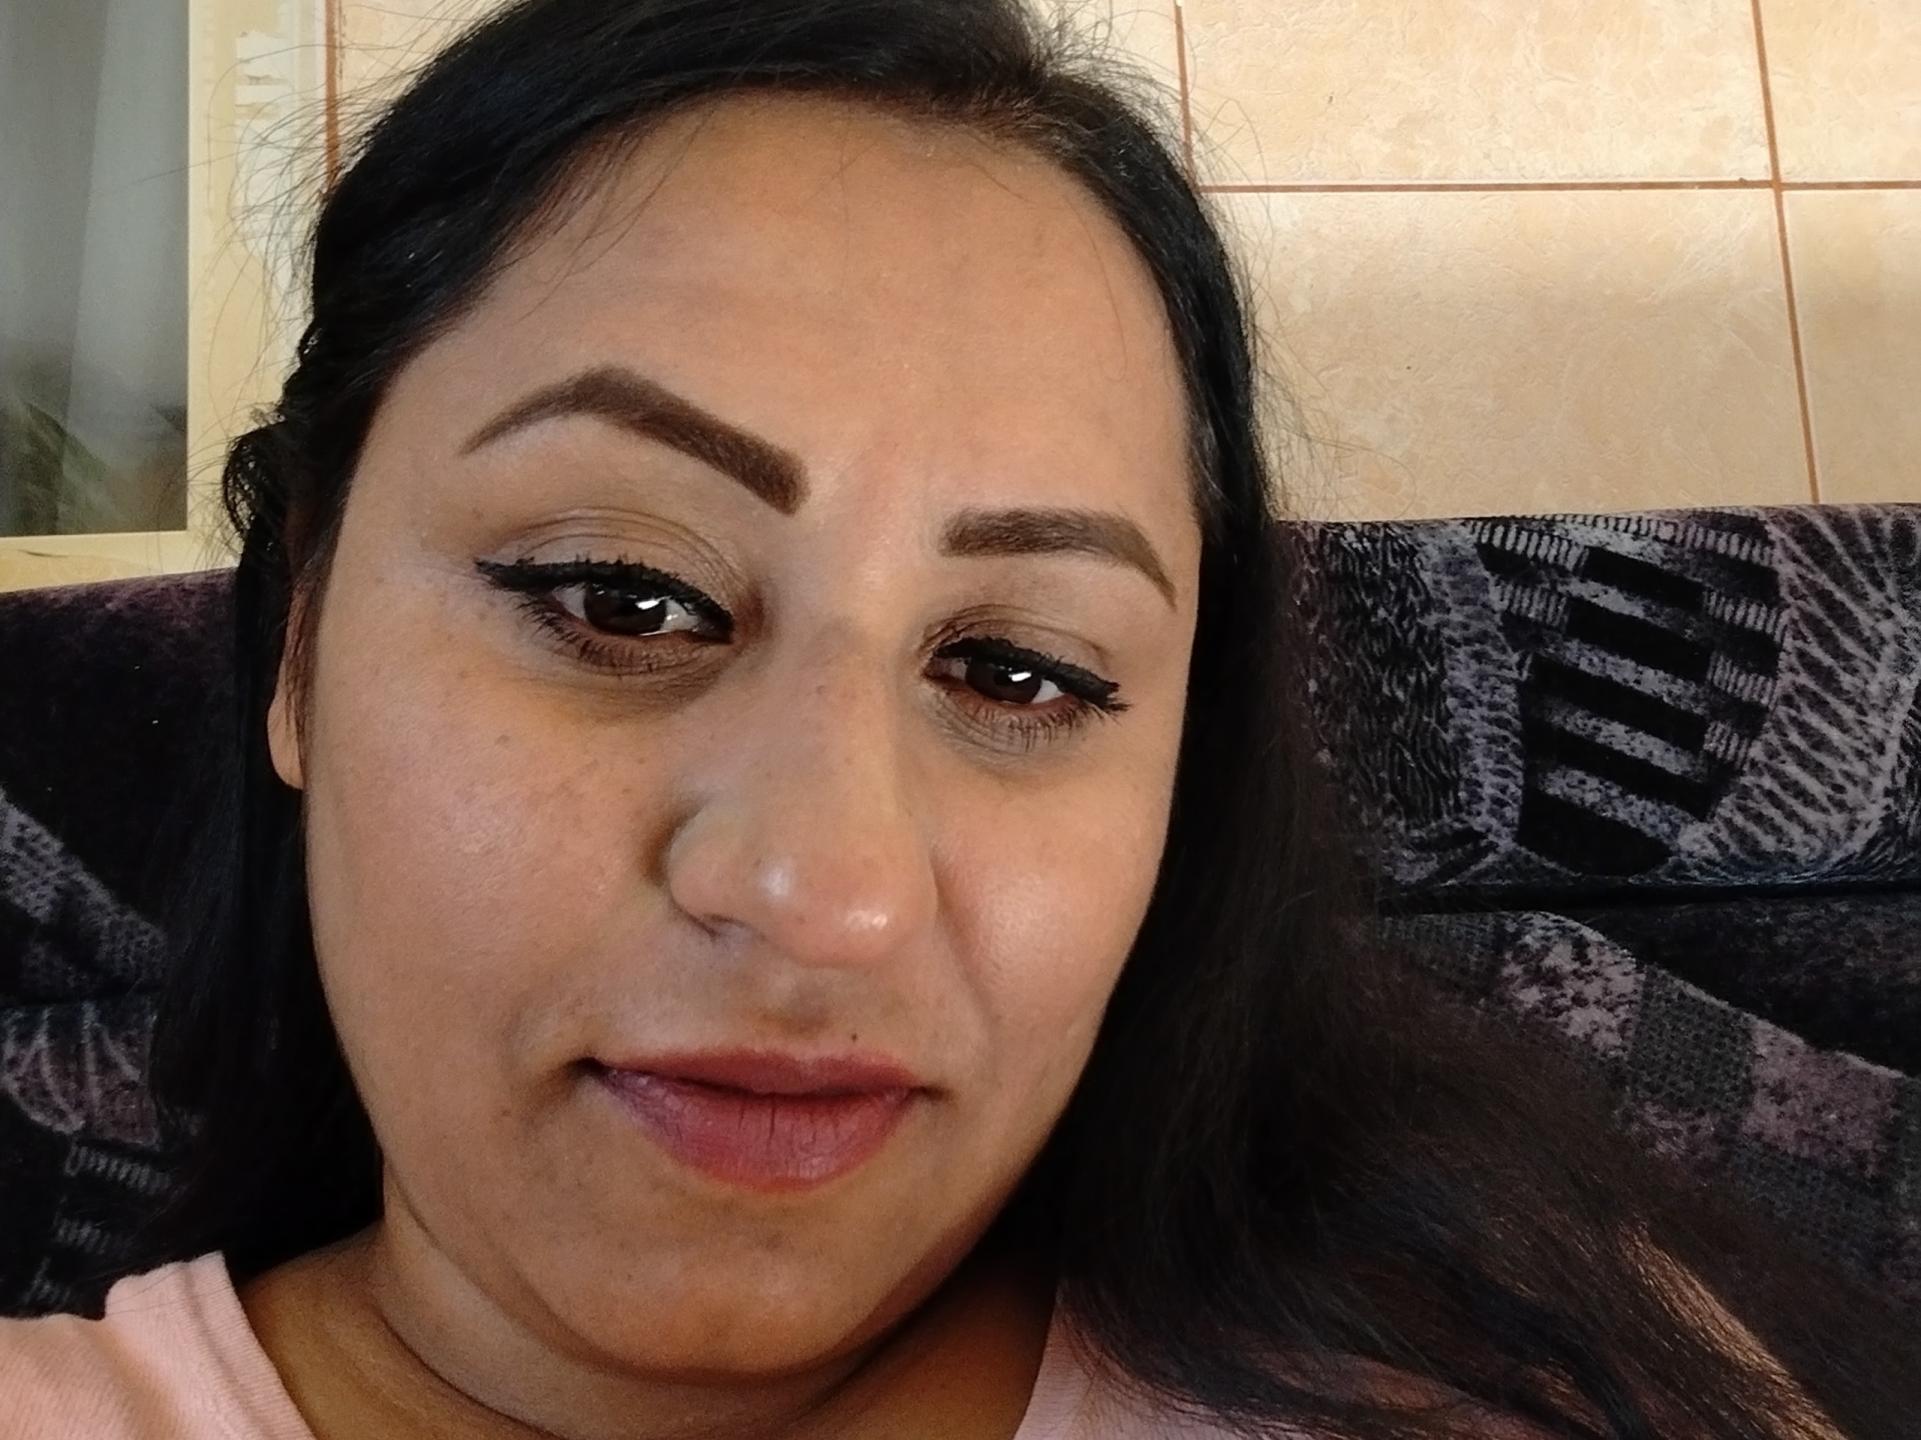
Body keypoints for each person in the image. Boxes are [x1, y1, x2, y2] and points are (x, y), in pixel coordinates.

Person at [0, 2, 1913, 1436]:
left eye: (1021, 672)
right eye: (623, 596)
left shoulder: (1517, 1370)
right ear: (303, 642)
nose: (826, 893)